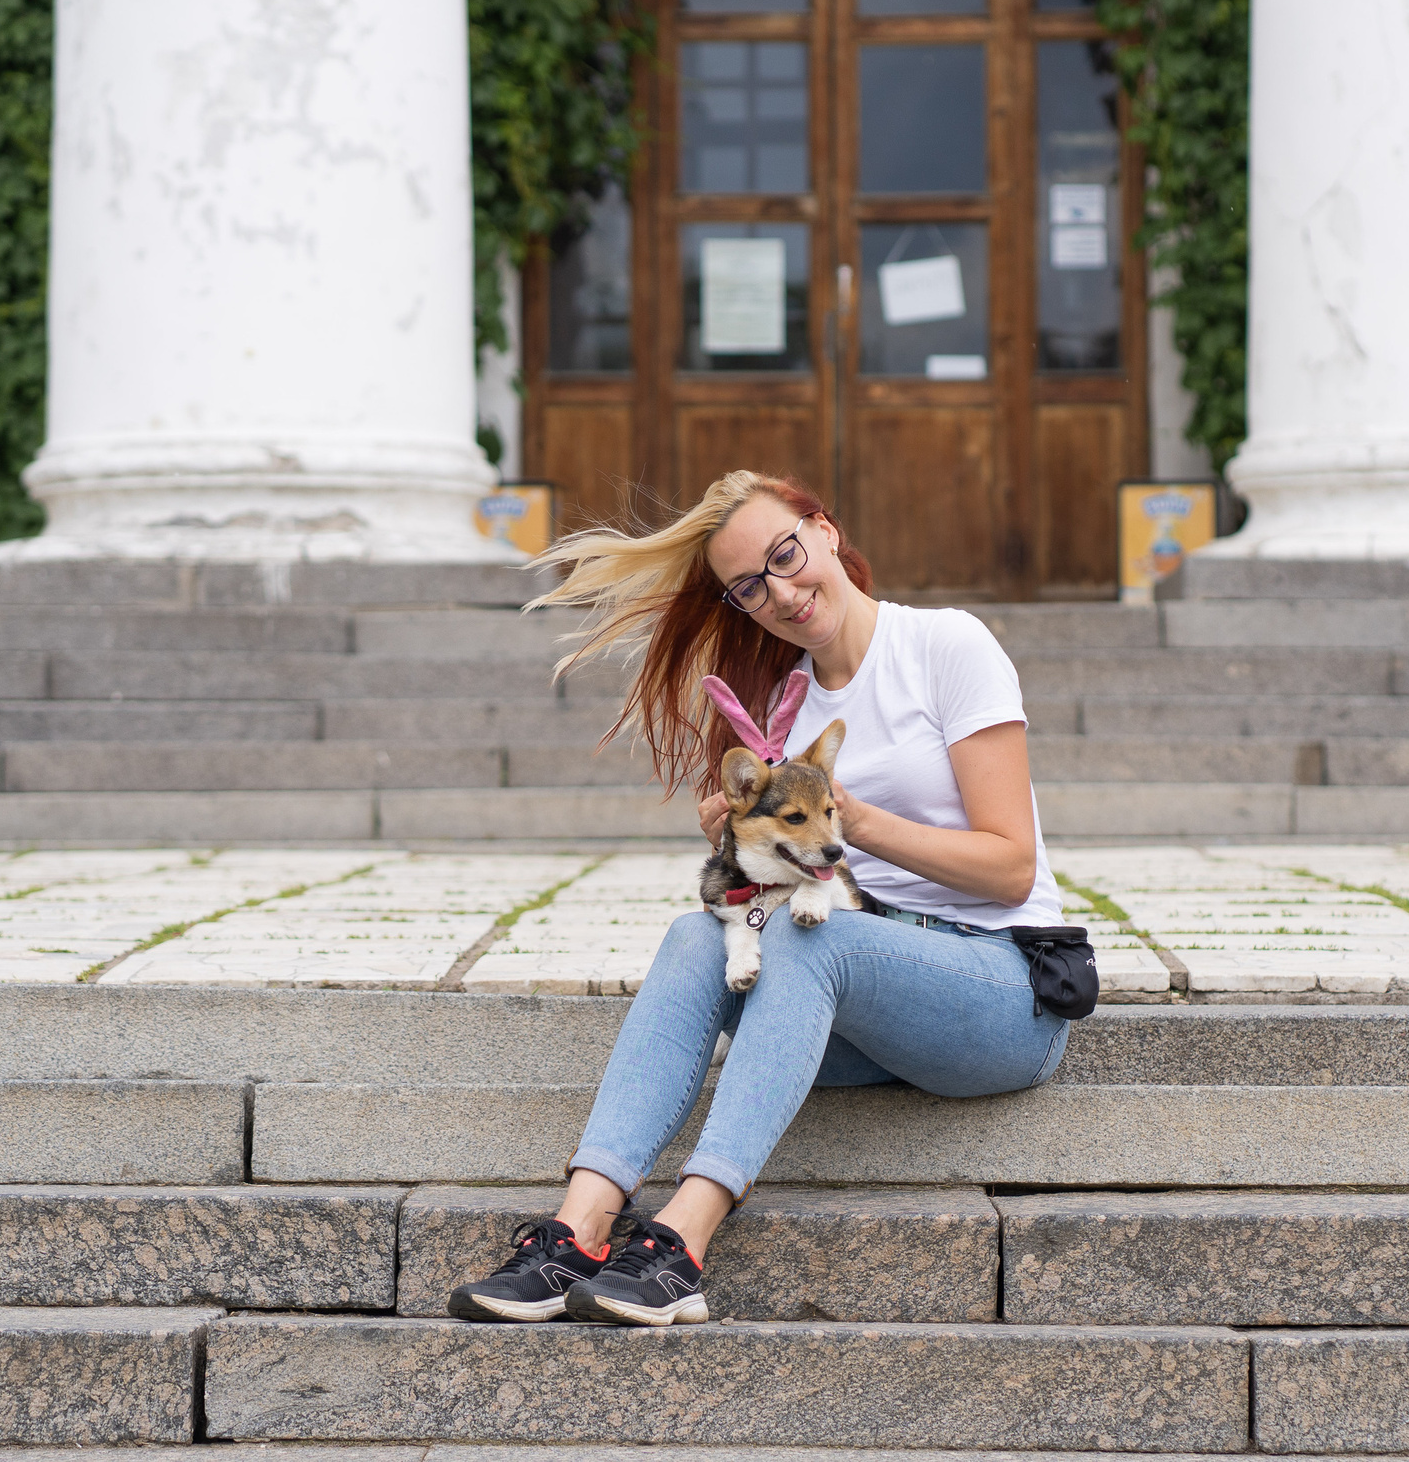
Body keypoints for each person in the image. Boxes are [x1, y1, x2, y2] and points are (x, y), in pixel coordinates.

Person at [447, 469, 1070, 1327]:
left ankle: (682, 1243)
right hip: (866, 998)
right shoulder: (786, 706)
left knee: (815, 940)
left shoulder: (945, 646)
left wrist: (844, 825)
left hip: (1006, 992)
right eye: (749, 587)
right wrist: (745, 836)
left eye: (785, 555)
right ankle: (579, 1228)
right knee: (698, 934)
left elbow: (1010, 866)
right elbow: (780, 871)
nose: (781, 591)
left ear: (824, 528)